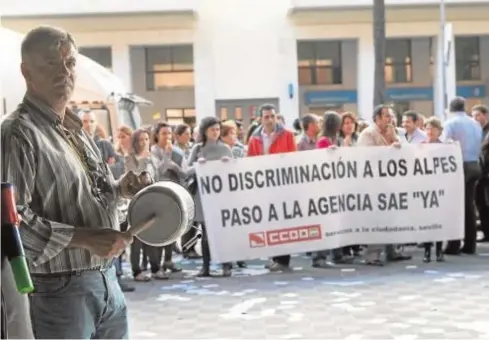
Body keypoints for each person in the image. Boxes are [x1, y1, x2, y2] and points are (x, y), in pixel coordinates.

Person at [1, 26, 151, 339]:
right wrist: (83, 239)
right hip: (61, 290)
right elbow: (11, 222)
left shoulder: (75, 128)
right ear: (26, 71)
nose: (64, 73)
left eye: (69, 64)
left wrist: (122, 188)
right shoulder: (18, 133)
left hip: (107, 281)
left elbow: (88, 193)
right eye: (51, 64)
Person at [247, 104, 296, 272]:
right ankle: (274, 257)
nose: (269, 120)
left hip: (283, 185)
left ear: (276, 117)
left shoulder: (288, 135)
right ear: (260, 119)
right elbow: (250, 160)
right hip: (264, 186)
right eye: (266, 117)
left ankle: (283, 260)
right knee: (269, 223)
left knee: (283, 222)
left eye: (272, 116)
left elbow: (294, 158)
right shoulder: (254, 139)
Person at [187, 117, 233, 277]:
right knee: (205, 233)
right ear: (205, 131)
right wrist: (198, 166)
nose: (215, 132)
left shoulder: (225, 148)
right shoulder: (197, 149)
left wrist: (228, 164)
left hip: (221, 196)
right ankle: (205, 267)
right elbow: (186, 170)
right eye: (212, 129)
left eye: (218, 129)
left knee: (223, 232)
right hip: (203, 195)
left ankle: (227, 265)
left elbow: (234, 172)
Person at [442, 97, 482, 255]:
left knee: (456, 205)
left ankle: (453, 244)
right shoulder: (475, 123)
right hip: (475, 163)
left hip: (460, 165)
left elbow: (444, 143)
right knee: (469, 205)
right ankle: (470, 243)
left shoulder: (451, 123)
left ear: (451, 109)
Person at [422, 117, 445, 262]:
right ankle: (427, 251)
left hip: (439, 188)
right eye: (428, 129)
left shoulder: (445, 148)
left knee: (439, 220)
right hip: (425, 189)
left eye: (433, 129)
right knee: (426, 221)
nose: (430, 132)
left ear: (439, 131)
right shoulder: (420, 146)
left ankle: (439, 250)